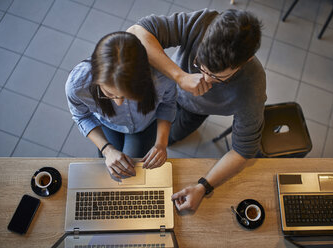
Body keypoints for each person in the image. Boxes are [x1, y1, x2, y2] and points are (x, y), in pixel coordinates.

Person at [128, 9, 266, 211]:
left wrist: (203, 186)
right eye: (200, 66)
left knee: (172, 136)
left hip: (194, 113)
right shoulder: (203, 22)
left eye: (217, 78)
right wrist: (180, 76)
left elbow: (243, 150)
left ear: (246, 61)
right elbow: (136, 32)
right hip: (165, 88)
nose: (203, 80)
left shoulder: (252, 86)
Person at [65, 31, 176, 180]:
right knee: (114, 171)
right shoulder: (77, 85)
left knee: (125, 175)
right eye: (109, 94)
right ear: (96, 78)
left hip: (145, 126)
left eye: (127, 96)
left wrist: (161, 144)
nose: (119, 103)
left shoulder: (162, 77)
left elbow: (168, 104)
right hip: (108, 125)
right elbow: (81, 116)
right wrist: (107, 149)